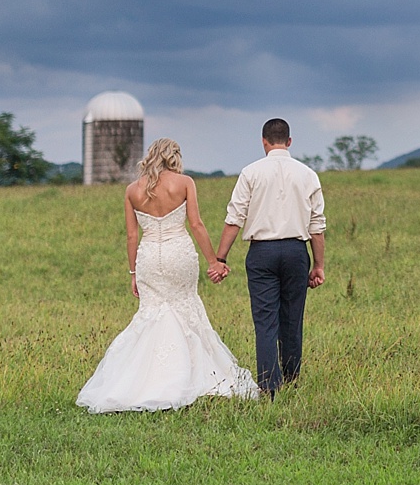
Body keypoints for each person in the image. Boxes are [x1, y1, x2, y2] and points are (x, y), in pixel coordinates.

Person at [76, 138, 260, 413]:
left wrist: (133, 272)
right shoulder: (184, 183)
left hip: (148, 257)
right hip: (179, 254)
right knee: (184, 307)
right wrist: (214, 261)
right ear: (174, 157)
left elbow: (131, 235)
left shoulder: (132, 190)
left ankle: (136, 383)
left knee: (151, 313)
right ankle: (190, 377)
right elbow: (196, 224)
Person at [215, 118, 326, 393]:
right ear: (289, 142)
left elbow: (234, 218)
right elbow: (317, 226)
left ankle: (269, 385)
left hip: (261, 252)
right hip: (296, 252)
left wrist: (221, 258)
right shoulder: (308, 174)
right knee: (292, 317)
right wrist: (319, 265)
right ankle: (291, 378)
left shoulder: (250, 173)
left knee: (265, 320)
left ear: (263, 141)